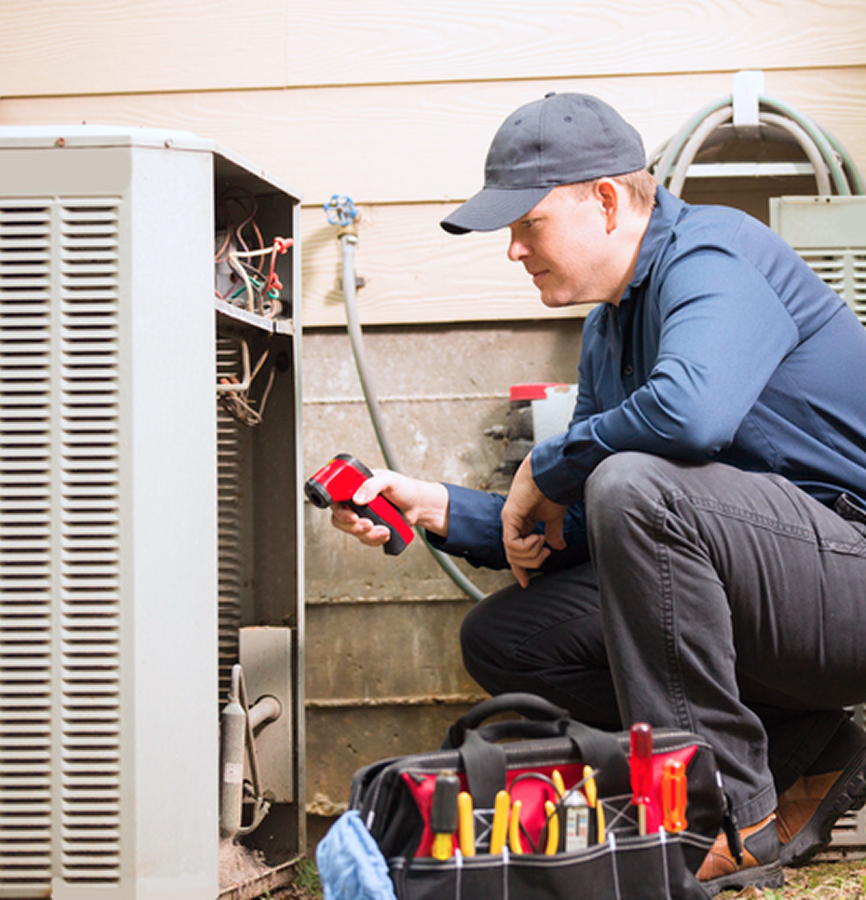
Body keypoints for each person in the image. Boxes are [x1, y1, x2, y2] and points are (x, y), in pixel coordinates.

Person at [330, 92, 866, 895]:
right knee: (510, 638)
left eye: (528, 224)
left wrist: (546, 467)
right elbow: (592, 524)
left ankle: (719, 813)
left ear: (607, 201)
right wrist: (440, 507)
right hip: (772, 603)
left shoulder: (715, 254)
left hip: (848, 576)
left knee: (631, 480)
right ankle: (808, 752)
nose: (514, 250)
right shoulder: (607, 329)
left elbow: (689, 418)